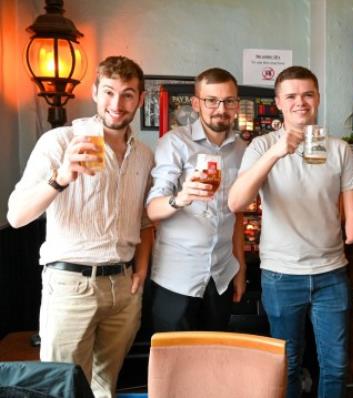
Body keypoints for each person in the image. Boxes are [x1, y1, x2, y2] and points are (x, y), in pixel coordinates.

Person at [7, 56, 154, 398]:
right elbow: (16, 216)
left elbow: (146, 220)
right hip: (71, 284)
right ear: (94, 92)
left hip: (123, 287)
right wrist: (60, 179)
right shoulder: (60, 141)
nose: (117, 104)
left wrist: (141, 272)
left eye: (128, 94)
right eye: (109, 92)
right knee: (61, 387)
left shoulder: (144, 154)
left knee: (106, 386)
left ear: (141, 99)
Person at [228, 66, 353, 398]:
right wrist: (277, 151)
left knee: (335, 367)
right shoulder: (262, 147)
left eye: (307, 94)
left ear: (317, 98)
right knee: (286, 365)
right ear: (278, 103)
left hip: (331, 274)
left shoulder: (339, 149)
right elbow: (236, 202)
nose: (300, 102)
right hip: (281, 275)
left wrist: (349, 230)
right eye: (291, 96)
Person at [146, 68, 247, 332]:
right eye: (211, 100)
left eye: (228, 101)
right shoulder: (175, 143)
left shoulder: (241, 149)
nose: (220, 109)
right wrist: (180, 198)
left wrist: (241, 267)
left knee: (212, 360)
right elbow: (152, 210)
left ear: (237, 104)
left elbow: (236, 214)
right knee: (173, 365)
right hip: (177, 278)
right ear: (196, 103)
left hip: (222, 276)